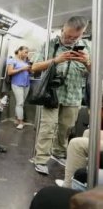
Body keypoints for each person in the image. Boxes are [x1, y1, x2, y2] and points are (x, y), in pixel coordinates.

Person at [31, 16, 91, 175]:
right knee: (48, 127)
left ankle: (59, 152)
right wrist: (56, 60)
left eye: (74, 37)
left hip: (73, 95)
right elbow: (35, 67)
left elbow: (96, 72)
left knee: (66, 128)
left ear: (82, 33)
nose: (69, 39)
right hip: (51, 94)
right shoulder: (49, 45)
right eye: (67, 35)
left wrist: (87, 62)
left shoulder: (87, 47)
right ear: (63, 28)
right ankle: (41, 159)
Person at [7, 46, 31, 130]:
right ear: (19, 51)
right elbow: (10, 72)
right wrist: (22, 68)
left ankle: (17, 119)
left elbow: (27, 72)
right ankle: (21, 122)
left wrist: (29, 70)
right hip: (17, 84)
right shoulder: (12, 60)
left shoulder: (25, 61)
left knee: (21, 103)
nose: (26, 54)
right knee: (20, 103)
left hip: (26, 84)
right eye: (25, 52)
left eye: (27, 52)